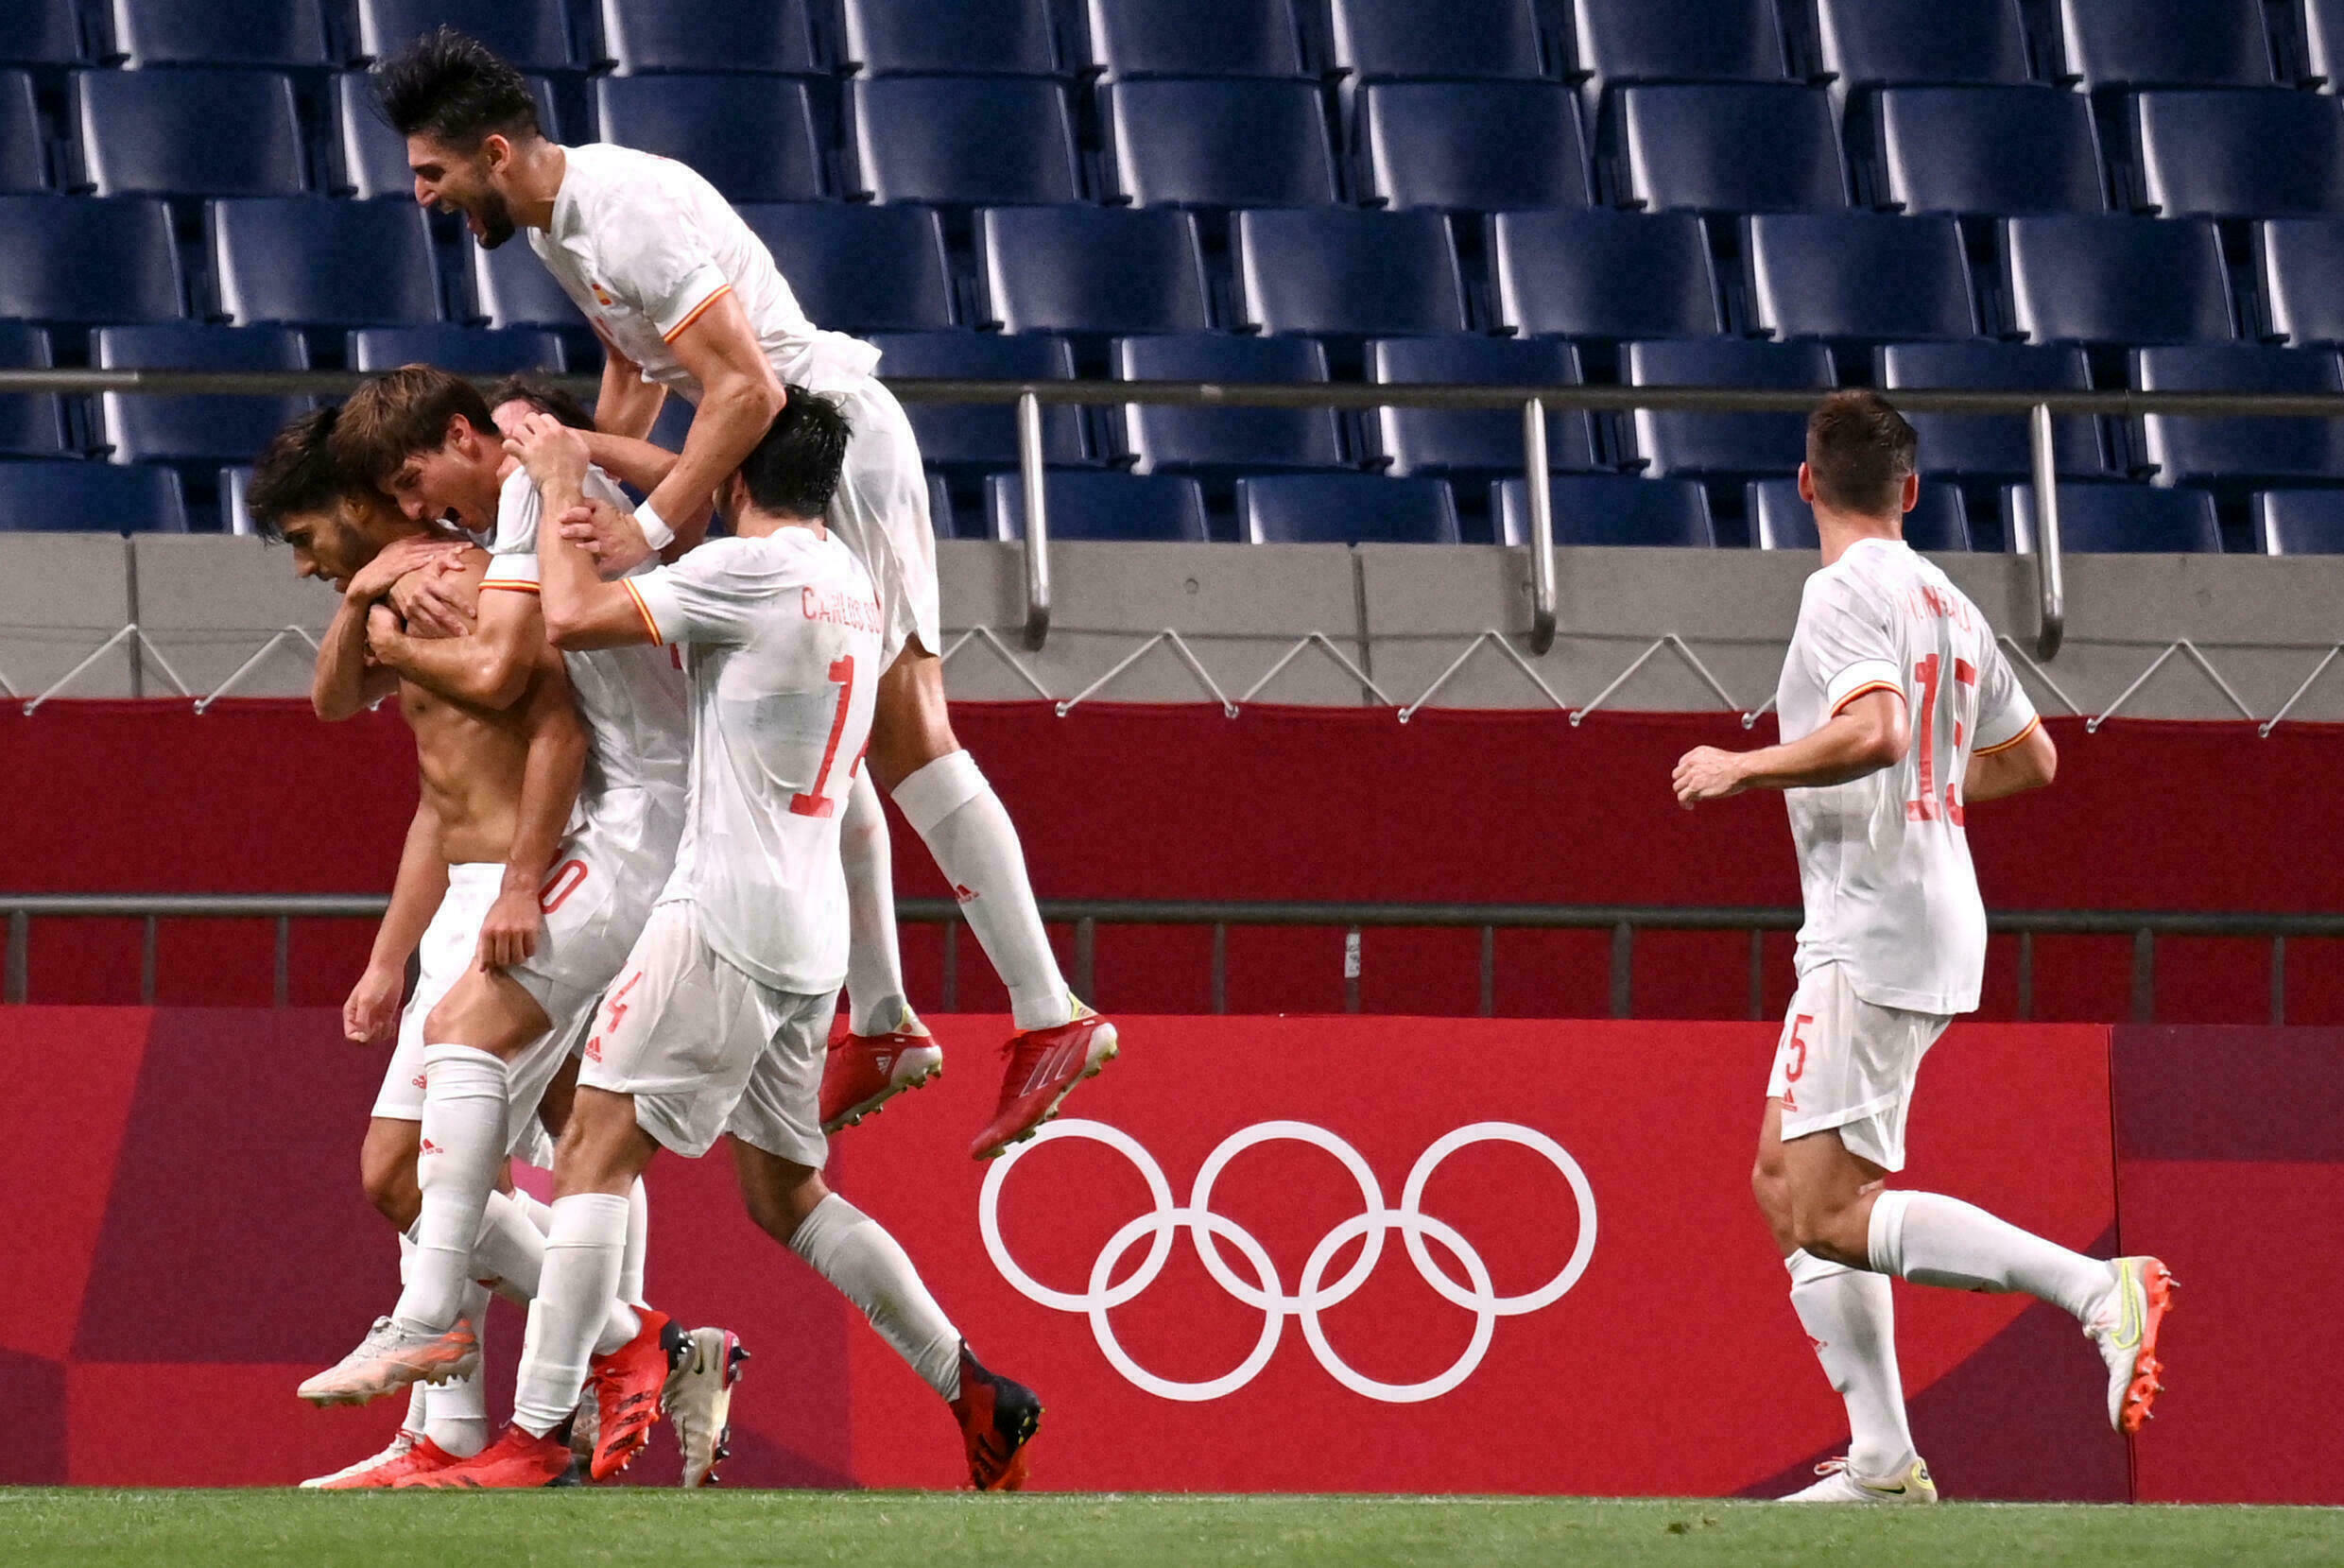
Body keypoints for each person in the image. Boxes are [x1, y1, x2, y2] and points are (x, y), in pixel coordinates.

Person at [375, 26, 1117, 1159]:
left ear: (492, 152)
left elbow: (746, 383)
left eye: (431, 173)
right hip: (759, 454)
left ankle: (1046, 1013)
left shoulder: (626, 207)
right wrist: (565, 488)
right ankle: (879, 1019)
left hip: (828, 444)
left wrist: (647, 528)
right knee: (836, 727)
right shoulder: (550, 226)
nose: (422, 195)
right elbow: (635, 367)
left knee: (909, 730)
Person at [401, 393, 1042, 1490]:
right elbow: (690, 514)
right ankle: (972, 1384)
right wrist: (599, 455)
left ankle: (535, 1433)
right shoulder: (845, 575)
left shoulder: (742, 577)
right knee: (785, 1196)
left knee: (597, 1148)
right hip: (810, 941)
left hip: (720, 916)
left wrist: (558, 485)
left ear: (736, 474)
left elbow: (572, 619)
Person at [1672, 391, 2175, 1504]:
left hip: (1874, 922)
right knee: (1777, 1180)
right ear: (1909, 490)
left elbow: (1876, 730)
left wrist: (1740, 765)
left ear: (1802, 484)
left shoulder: (1839, 592)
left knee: (1829, 1212)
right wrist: (1925, 803)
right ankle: (1882, 1461)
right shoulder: (1946, 601)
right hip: (1924, 905)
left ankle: (2097, 1291)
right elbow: (2032, 759)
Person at [249, 407, 588, 1486]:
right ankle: (451, 1430)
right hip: (467, 904)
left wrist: (524, 881)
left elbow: (546, 724)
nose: (304, 565)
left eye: (308, 542)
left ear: (355, 510)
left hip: (527, 896)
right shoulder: (393, 585)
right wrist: (388, 959)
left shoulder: (457, 582)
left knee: (469, 1169)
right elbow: (373, 736)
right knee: (432, 1174)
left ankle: (629, 1353)